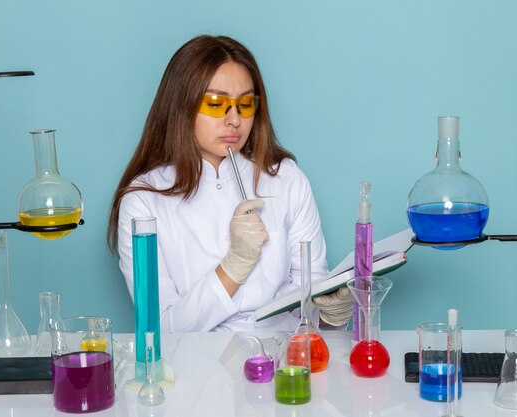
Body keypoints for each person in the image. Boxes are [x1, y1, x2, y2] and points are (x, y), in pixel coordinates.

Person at [108, 35, 352, 332]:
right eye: (216, 103)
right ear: (181, 104)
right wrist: (234, 265)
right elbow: (160, 328)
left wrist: (329, 313)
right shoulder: (143, 201)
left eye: (245, 104)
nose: (234, 120)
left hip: (284, 360)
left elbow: (308, 300)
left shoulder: (287, 179)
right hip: (195, 366)